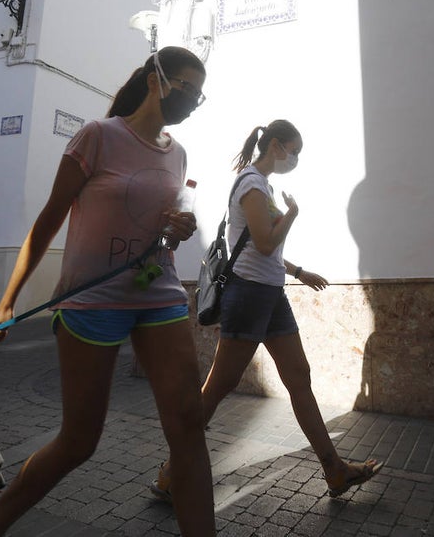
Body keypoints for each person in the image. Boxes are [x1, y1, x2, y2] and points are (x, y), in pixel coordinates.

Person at [0, 46, 215, 537]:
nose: (190, 99)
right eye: (186, 87)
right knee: (79, 441)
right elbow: (50, 219)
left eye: (198, 96)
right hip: (91, 301)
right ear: (155, 79)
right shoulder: (98, 137)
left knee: (187, 426)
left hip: (157, 292)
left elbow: (160, 225)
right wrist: (7, 302)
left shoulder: (177, 154)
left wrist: (177, 229)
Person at [150, 120, 382, 502]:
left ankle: (334, 470)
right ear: (276, 145)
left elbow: (267, 249)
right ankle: (171, 472)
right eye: (294, 150)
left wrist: (298, 271)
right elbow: (263, 242)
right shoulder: (253, 183)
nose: (296, 158)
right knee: (218, 386)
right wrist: (292, 215)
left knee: (299, 378)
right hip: (249, 294)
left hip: (271, 295)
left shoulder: (263, 186)